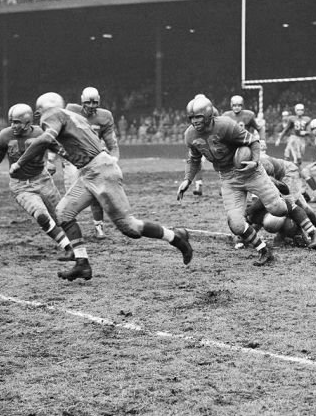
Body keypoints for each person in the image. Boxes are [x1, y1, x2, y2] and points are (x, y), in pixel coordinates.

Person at [14, 92, 193, 281]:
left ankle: (177, 238)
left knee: (129, 228)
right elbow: (54, 142)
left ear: (39, 112)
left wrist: (20, 163)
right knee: (63, 214)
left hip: (100, 170)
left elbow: (45, 139)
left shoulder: (51, 116)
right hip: (89, 171)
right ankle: (82, 264)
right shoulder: (71, 115)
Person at [177, 95, 316, 267]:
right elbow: (194, 159)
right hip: (228, 178)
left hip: (251, 172)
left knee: (277, 210)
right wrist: (187, 179)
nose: (194, 121)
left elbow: (253, 141)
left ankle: (310, 230)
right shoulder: (189, 135)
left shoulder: (226, 125)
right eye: (192, 117)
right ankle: (264, 251)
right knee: (236, 223)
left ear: (209, 115)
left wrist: (254, 162)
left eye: (198, 117)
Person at [0, 103, 74, 261]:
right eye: (12, 122)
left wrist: (50, 161)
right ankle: (68, 248)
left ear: (28, 122)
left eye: (17, 122)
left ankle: (75, 244)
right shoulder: (4, 136)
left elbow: (53, 147)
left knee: (62, 215)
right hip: (20, 186)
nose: (13, 125)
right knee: (41, 216)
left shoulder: (39, 132)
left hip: (42, 179)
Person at [57, 86, 118, 239]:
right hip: (73, 158)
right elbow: (57, 128)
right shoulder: (70, 110)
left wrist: (114, 159)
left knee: (96, 193)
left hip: (93, 160)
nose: (91, 106)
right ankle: (70, 229)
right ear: (82, 101)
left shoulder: (105, 116)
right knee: (72, 195)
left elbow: (112, 143)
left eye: (95, 102)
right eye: (88, 103)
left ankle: (99, 228)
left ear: (99, 102)